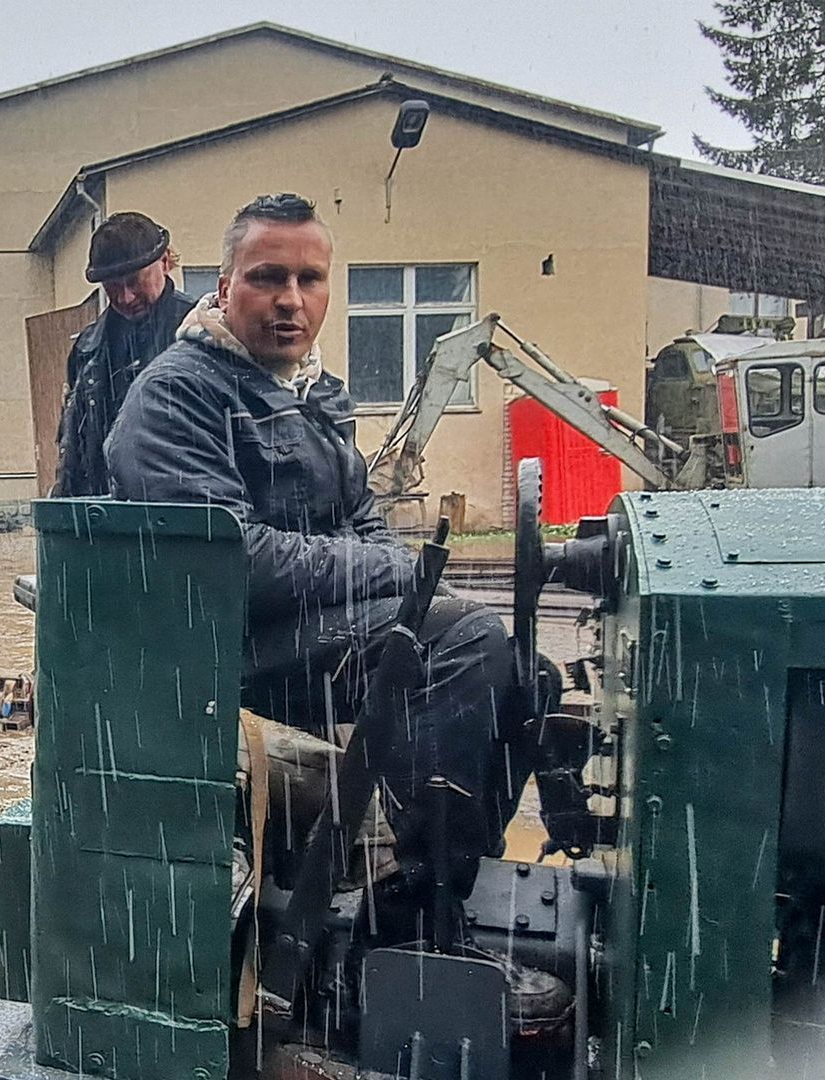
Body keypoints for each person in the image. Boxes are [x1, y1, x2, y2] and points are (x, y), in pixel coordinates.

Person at [103, 193, 525, 923]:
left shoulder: (313, 394)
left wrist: (391, 573)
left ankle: (452, 886)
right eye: (268, 277)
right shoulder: (176, 396)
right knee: (463, 645)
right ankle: (412, 917)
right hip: (216, 657)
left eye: (311, 279)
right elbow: (235, 562)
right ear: (225, 283)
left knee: (522, 677)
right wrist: (400, 576)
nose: (291, 301)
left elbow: (362, 519)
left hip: (299, 636)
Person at [52, 211, 199, 497]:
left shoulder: (202, 333)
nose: (125, 297)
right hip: (105, 519)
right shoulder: (87, 349)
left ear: (165, 262)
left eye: (134, 281)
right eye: (112, 287)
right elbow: (74, 451)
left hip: (186, 516)